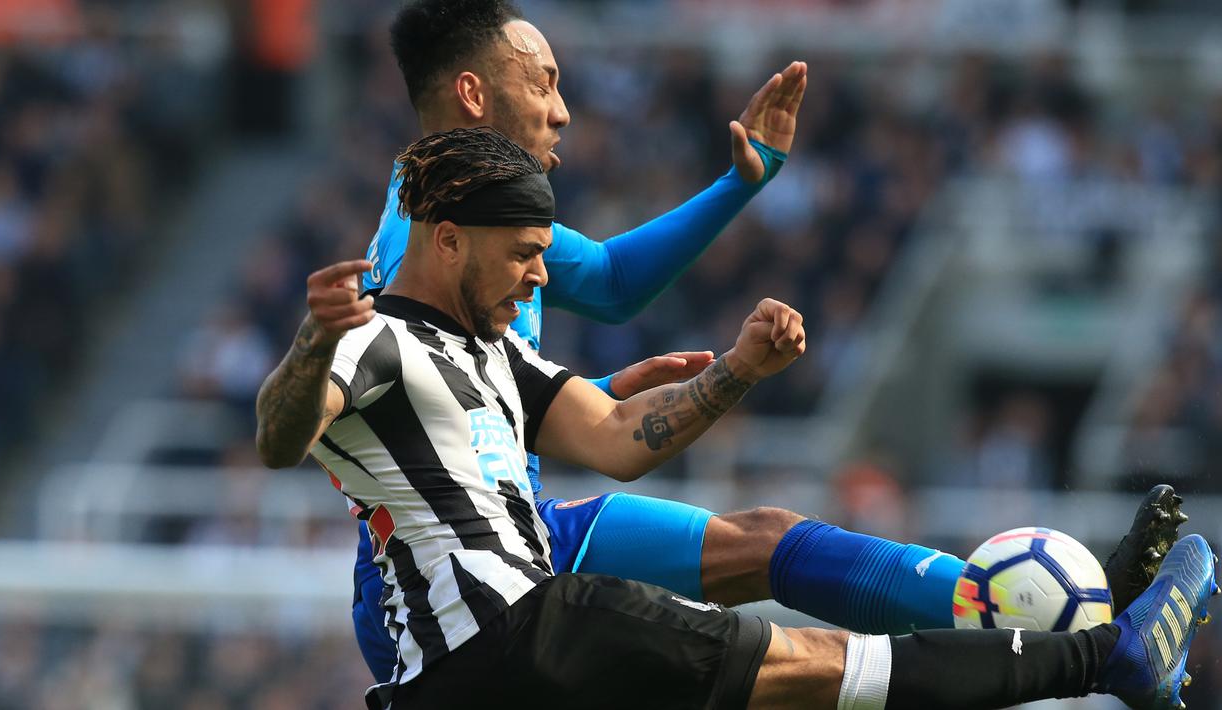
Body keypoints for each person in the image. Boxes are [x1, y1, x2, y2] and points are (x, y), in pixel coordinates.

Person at [340, 0, 1190, 684]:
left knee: (767, 543)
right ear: (473, 95)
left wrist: (739, 183)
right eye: (546, 83)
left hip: (526, 528)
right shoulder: (415, 242)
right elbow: (409, 402)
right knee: (775, 668)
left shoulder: (479, 213)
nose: (564, 109)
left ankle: (1047, 620)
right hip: (444, 584)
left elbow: (604, 282)